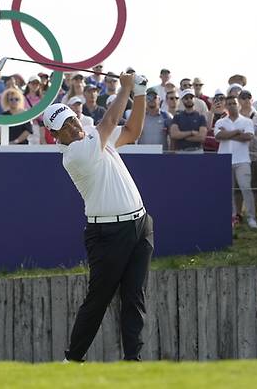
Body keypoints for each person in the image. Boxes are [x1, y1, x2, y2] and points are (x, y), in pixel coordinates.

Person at [43, 72, 152, 362]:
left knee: (134, 298)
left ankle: (133, 363)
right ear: (55, 136)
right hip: (107, 236)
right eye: (64, 126)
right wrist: (125, 87)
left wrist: (139, 92)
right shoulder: (75, 154)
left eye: (72, 118)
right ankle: (73, 359)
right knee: (98, 300)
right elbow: (109, 123)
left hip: (140, 226)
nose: (73, 125)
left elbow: (132, 131)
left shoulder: (93, 138)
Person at [214, 94, 257, 228]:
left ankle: (252, 218)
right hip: (224, 159)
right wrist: (237, 132)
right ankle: (232, 217)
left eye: (234, 103)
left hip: (243, 160)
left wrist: (228, 134)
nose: (232, 106)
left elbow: (248, 137)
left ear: (237, 104)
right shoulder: (220, 122)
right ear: (226, 106)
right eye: (229, 104)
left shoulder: (247, 121)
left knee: (246, 188)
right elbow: (218, 136)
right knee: (228, 191)